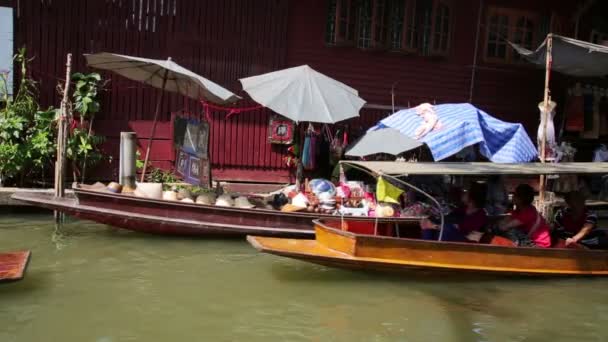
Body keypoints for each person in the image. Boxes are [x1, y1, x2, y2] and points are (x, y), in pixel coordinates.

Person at [421, 182, 488, 242]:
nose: (463, 193)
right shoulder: (462, 209)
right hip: (449, 237)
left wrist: (433, 226)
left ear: (472, 196)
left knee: (447, 228)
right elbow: (448, 218)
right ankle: (427, 249)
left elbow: (457, 227)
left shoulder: (480, 214)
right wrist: (431, 220)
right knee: (427, 223)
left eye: (466, 192)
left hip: (465, 242)